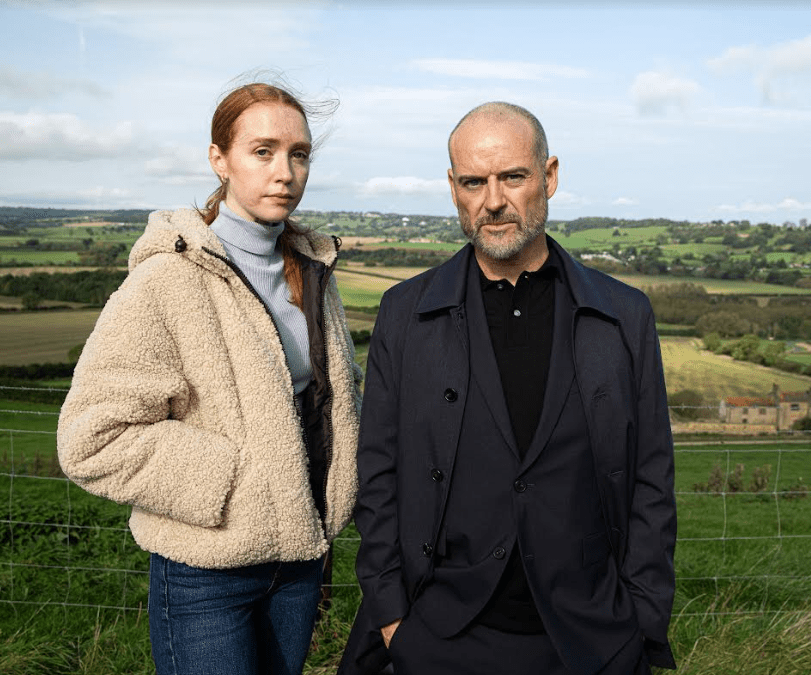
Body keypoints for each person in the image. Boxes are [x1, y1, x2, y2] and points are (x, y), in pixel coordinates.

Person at [340, 101, 677, 675]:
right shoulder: (404, 313)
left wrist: (641, 618)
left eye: (512, 177)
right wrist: (394, 619)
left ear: (549, 176)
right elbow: (377, 475)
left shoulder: (623, 314)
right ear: (453, 189)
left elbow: (651, 477)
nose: (493, 200)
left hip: (591, 638)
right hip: (439, 633)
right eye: (474, 181)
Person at [57, 81, 362, 675]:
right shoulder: (168, 280)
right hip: (204, 571)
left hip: (299, 563)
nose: (285, 172)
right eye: (263, 151)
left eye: (299, 154)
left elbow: (332, 406)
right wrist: (236, 482)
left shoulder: (312, 272)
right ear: (219, 159)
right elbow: (90, 438)